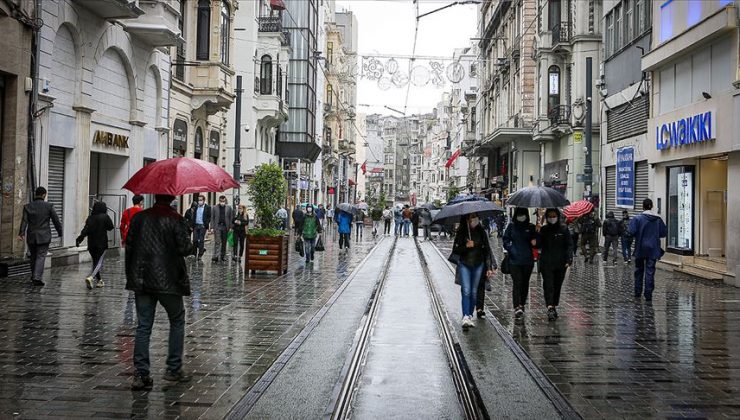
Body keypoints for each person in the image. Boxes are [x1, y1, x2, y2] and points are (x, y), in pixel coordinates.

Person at [125, 194, 196, 390]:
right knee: (177, 319)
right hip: (169, 280)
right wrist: (189, 237)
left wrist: (131, 276)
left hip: (142, 279)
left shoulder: (139, 218)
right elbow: (184, 248)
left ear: (155, 197)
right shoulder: (176, 219)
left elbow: (129, 246)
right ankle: (173, 369)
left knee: (143, 326)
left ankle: (141, 374)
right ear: (172, 198)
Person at [451, 213, 495, 330]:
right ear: (466, 219)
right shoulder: (462, 232)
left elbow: (487, 250)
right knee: (466, 290)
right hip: (465, 264)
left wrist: (489, 267)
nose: (473, 219)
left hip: (478, 264)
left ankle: (470, 314)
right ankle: (465, 316)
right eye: (471, 217)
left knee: (474, 291)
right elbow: (455, 249)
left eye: (475, 216)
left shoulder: (481, 232)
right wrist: (466, 246)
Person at [18, 187, 62, 287]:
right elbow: (56, 220)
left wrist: (21, 233)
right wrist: (60, 232)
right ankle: (36, 278)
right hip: (44, 236)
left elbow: (24, 221)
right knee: (41, 256)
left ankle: (34, 275)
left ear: (35, 194)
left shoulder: (28, 206)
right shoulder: (49, 206)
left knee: (33, 257)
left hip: (31, 236)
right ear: (44, 195)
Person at [537, 209, 573, 321]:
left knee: (557, 285)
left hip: (560, 263)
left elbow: (569, 245)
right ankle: (550, 307)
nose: (552, 218)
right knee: (548, 285)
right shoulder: (544, 230)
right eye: (550, 216)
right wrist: (537, 233)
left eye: (554, 216)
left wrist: (569, 259)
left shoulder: (564, 229)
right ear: (547, 218)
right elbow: (537, 245)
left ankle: (554, 305)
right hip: (546, 262)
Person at [628, 198, 667, 302]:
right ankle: (648, 294)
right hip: (653, 249)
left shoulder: (637, 219)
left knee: (639, 270)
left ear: (643, 206)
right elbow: (663, 233)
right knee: (650, 271)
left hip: (640, 248)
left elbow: (630, 232)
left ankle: (637, 292)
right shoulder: (658, 219)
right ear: (652, 206)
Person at [503, 207, 537, 319]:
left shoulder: (531, 227)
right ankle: (516, 306)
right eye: (519, 214)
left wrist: (535, 240)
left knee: (525, 283)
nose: (521, 216)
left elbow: (537, 242)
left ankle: (522, 304)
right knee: (517, 282)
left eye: (523, 214)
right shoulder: (511, 226)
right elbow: (505, 240)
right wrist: (511, 248)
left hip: (528, 260)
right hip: (514, 260)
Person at [76, 201, 114, 289]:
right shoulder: (105, 217)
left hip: (91, 245)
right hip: (102, 244)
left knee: (95, 262)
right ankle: (91, 277)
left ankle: (100, 281)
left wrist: (79, 240)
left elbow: (85, 230)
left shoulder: (90, 218)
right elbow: (111, 227)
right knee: (99, 263)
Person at [210, 195, 233, 262]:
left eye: (223, 201)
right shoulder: (214, 207)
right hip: (217, 226)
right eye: (221, 201)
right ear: (219, 200)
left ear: (225, 201)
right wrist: (211, 227)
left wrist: (231, 227)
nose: (222, 202)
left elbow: (231, 217)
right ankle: (216, 256)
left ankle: (223, 256)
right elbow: (212, 218)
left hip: (226, 227)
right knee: (217, 241)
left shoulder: (229, 208)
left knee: (224, 242)